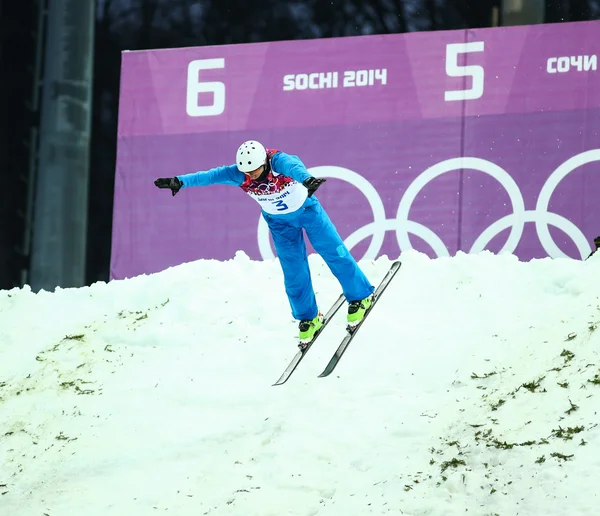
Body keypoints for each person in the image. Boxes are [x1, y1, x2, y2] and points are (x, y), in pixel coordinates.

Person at [154, 140, 374, 346]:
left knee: (335, 253)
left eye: (254, 171)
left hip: (308, 212)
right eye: (246, 172)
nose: (250, 175)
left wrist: (307, 179)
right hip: (279, 224)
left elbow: (294, 167)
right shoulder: (239, 174)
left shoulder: (278, 161)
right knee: (293, 272)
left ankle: (361, 296)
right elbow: (209, 176)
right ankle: (308, 318)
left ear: (264, 163)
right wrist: (180, 182)